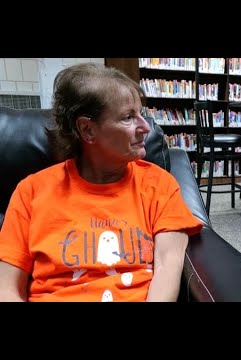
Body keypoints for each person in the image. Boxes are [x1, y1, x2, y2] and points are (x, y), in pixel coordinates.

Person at [0, 63, 203, 302]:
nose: (146, 127)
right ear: (87, 130)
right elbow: (6, 288)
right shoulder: (31, 191)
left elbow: (168, 267)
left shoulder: (159, 185)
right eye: (128, 117)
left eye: (141, 113)